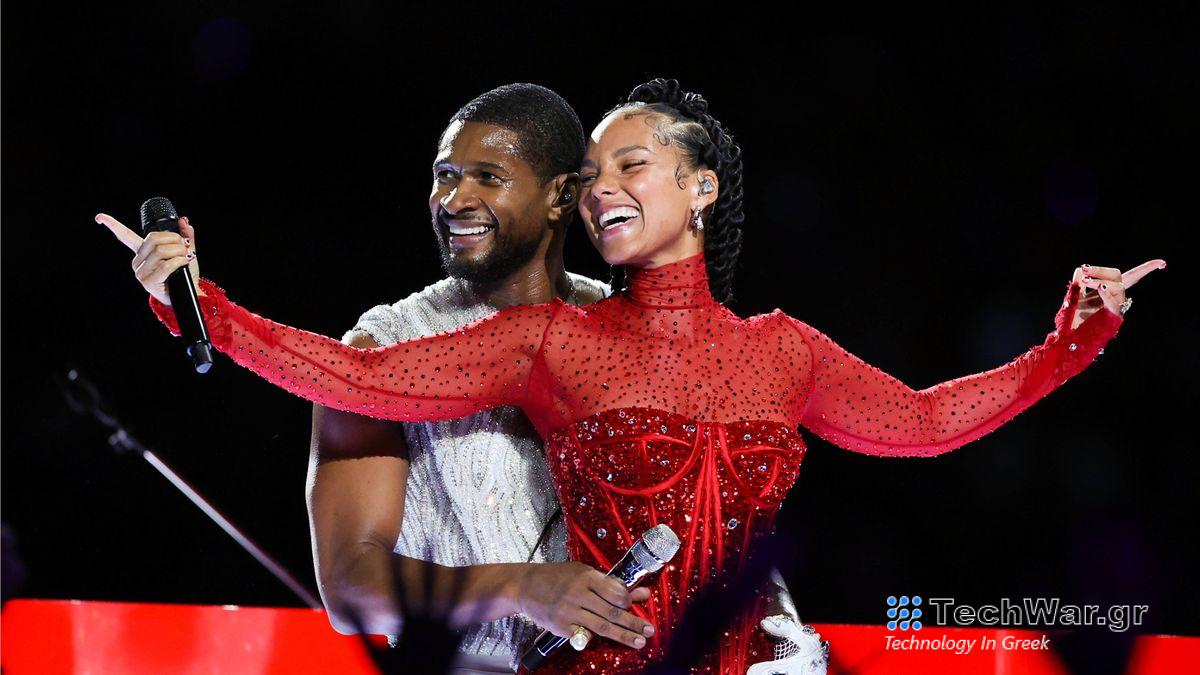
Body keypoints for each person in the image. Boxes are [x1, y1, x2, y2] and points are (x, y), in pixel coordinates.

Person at [100, 78, 1161, 673]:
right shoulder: (554, 343)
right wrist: (202, 305)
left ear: (700, 188)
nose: (602, 188)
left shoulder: (784, 351)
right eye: (593, 173)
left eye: (630, 165)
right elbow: (354, 376)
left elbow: (925, 423)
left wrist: (1069, 347)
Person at [98, 81, 819, 674]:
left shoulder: (627, 329)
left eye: (487, 177)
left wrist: (775, 628)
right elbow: (352, 590)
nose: (453, 199)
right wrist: (519, 587)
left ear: (563, 196)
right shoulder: (385, 344)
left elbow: (715, 517)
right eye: (445, 175)